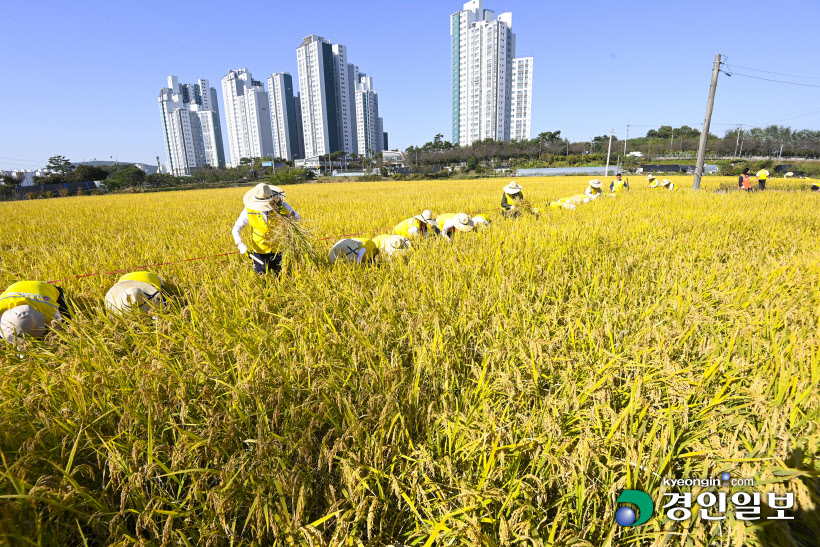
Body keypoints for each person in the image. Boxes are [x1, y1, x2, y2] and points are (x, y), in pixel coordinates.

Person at [232, 183, 301, 275]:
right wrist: (240, 244)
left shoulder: (281, 205)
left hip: (279, 251)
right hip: (260, 251)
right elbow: (236, 229)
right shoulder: (249, 210)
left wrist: (289, 213)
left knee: (283, 278)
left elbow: (298, 218)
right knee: (262, 279)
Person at [0, 281, 70, 348]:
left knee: (67, 321)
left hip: (44, 287)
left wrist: (48, 344)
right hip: (15, 286)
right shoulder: (1, 308)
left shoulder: (50, 310)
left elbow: (57, 330)